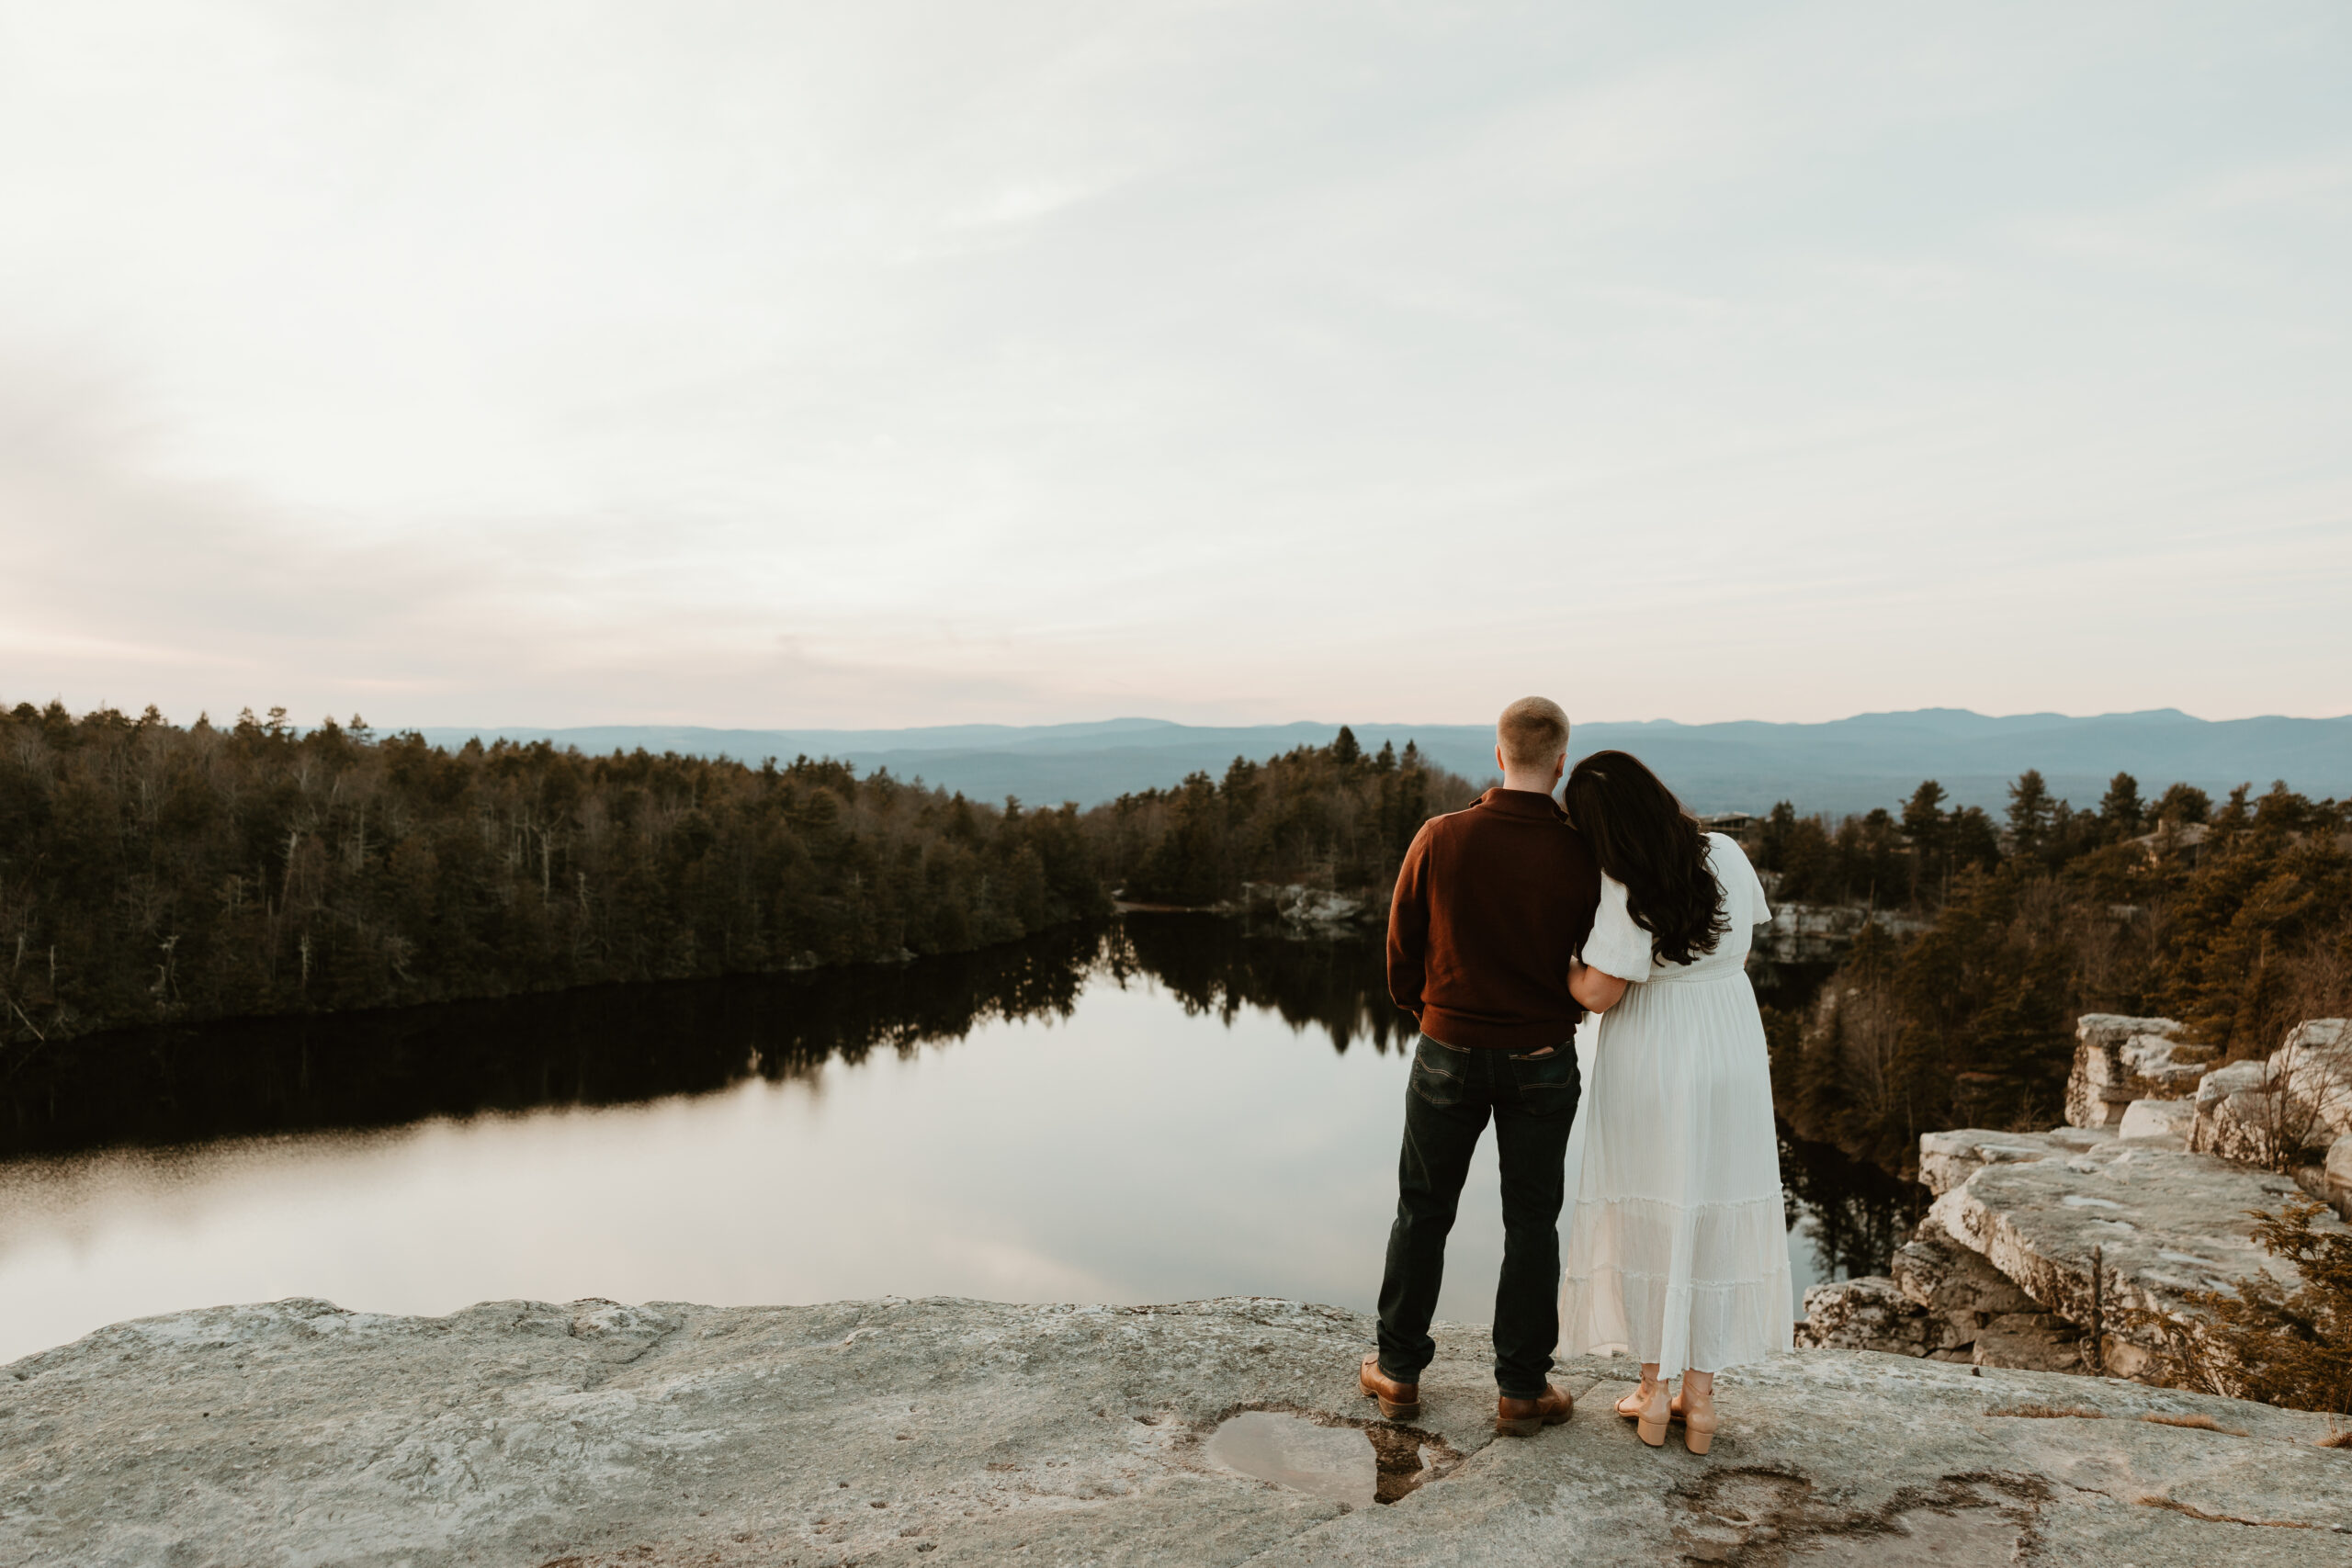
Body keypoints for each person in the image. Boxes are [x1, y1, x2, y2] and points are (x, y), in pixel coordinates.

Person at [1359, 696, 1601, 1438]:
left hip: (1447, 1049)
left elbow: (1401, 948)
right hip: (1541, 1059)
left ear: (1498, 755)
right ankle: (1522, 1390)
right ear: (1559, 762)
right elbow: (1598, 958)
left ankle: (1398, 1374)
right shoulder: (1583, 852)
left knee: (1422, 1211)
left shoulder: (1441, 835)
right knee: (1532, 1222)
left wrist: (1427, 1012)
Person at [1557, 749, 1792, 1457]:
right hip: (1729, 1043)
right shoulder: (1725, 851)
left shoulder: (1621, 882)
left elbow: (1599, 991)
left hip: (1654, 1050)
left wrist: (1555, 964)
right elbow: (1740, 944)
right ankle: (1704, 1397)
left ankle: (1653, 1390)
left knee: (1648, 1206)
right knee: (1714, 1204)